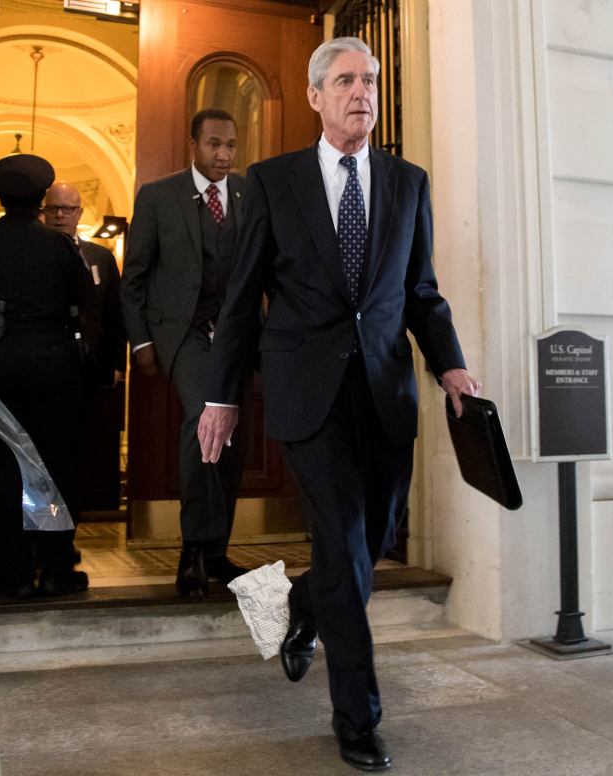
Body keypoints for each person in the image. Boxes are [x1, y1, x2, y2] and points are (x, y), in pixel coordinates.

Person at [198, 38, 480, 772]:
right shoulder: (272, 181)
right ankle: (358, 716)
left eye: (372, 80)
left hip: (385, 389)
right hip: (306, 391)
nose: (363, 91)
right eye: (348, 80)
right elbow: (242, 299)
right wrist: (222, 394)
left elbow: (422, 292)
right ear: (318, 94)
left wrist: (450, 366)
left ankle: (296, 608)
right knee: (347, 537)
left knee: (376, 533)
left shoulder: (407, 182)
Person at [0, 153, 95, 598]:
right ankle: (56, 567)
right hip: (53, 366)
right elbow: (87, 307)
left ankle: (13, 571)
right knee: (51, 466)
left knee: (0, 466)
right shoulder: (61, 246)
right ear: (43, 199)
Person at [121, 108, 250, 597]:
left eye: (231, 145)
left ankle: (217, 551)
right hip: (183, 334)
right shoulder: (158, 196)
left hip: (235, 335)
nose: (223, 154)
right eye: (214, 144)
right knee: (205, 418)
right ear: (192, 144)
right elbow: (133, 279)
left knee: (233, 438)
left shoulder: (246, 195)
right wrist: (142, 341)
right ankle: (193, 549)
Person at [43, 181, 126, 388]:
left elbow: (114, 314)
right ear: (44, 212)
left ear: (79, 213)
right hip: (43, 362)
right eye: (53, 208)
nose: (60, 215)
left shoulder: (101, 257)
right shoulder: (31, 255)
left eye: (68, 209)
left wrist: (116, 364)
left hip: (90, 364)